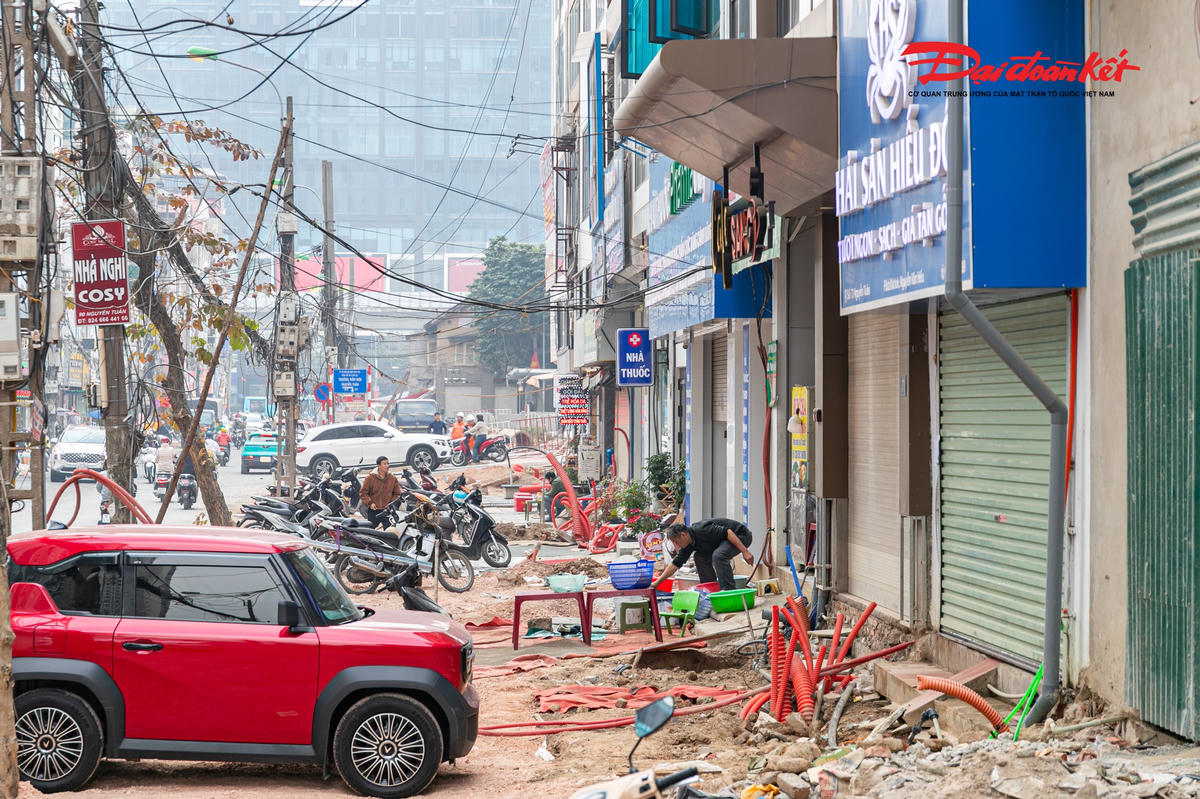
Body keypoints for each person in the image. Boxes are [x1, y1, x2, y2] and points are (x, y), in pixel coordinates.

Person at [649, 518, 755, 593]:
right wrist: (657, 583)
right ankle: (711, 590)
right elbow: (675, 563)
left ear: (683, 535)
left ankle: (728, 591)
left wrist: (745, 552)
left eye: (676, 542)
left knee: (718, 555)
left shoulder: (702, 529)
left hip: (740, 535)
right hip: (723, 542)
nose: (677, 545)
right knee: (699, 557)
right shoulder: (688, 544)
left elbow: (728, 532)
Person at [359, 456, 402, 528]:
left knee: (389, 532)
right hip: (373, 511)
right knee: (371, 531)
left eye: (388, 464)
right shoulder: (370, 478)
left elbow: (397, 493)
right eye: (384, 464)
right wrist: (370, 503)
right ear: (378, 466)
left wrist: (391, 504)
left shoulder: (392, 478)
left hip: (388, 511)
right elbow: (363, 493)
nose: (387, 466)